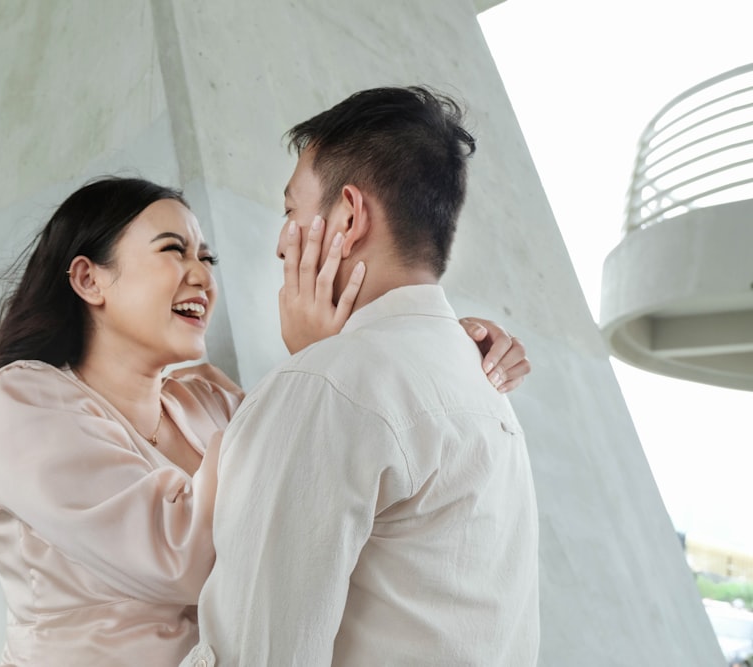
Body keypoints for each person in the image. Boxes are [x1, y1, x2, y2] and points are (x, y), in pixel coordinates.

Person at [0, 176, 530, 666]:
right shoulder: (21, 402)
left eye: (207, 257)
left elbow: (315, 462)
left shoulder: (206, 397)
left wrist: (435, 343)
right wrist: (307, 361)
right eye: (172, 250)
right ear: (88, 279)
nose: (201, 275)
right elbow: (181, 553)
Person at [183, 86, 540, 666]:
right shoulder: (486, 387)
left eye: (290, 211)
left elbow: (259, 652)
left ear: (348, 215)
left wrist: (312, 371)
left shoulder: (329, 387)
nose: (280, 244)